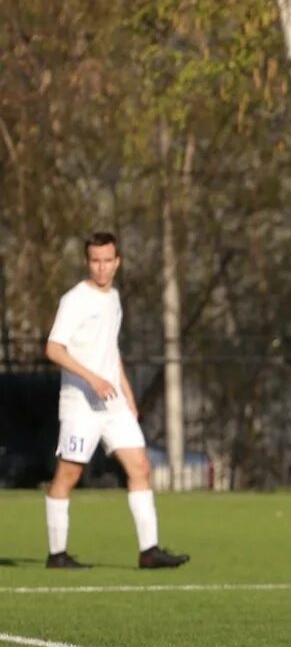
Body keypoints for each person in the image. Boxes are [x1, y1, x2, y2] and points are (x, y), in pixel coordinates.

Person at [43, 232, 190, 570]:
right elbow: (53, 348)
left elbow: (110, 349)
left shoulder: (114, 299)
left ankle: (149, 551)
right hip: (81, 404)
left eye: (108, 260)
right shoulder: (75, 299)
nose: (102, 267)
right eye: (95, 260)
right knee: (68, 475)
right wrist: (92, 378)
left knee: (140, 467)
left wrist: (126, 390)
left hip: (113, 404)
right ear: (87, 262)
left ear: (117, 262)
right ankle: (57, 554)